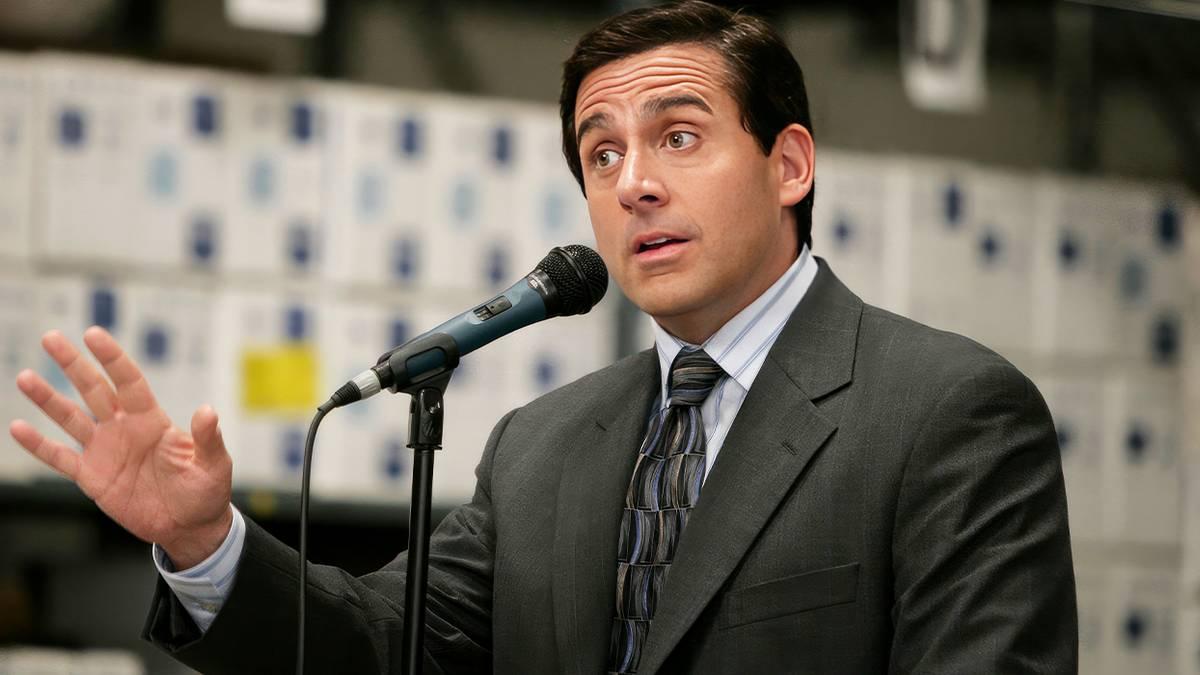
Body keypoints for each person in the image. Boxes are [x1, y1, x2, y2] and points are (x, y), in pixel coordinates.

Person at [9, 2, 1077, 673]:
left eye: (679, 136)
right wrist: (205, 542)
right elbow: (385, 647)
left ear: (789, 164)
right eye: (601, 154)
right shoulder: (543, 445)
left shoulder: (944, 411)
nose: (634, 182)